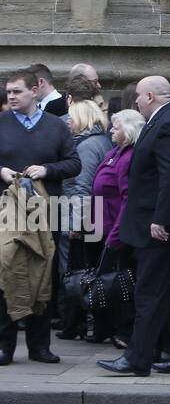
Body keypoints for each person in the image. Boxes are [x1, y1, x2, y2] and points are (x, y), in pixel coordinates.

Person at [98, 75, 170, 377]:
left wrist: (160, 219)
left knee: (150, 291)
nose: (135, 101)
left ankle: (137, 358)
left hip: (167, 226)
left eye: (137, 96)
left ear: (150, 96)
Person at [0, 69, 80, 365]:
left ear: (35, 91)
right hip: (7, 211)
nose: (11, 96)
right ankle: (5, 345)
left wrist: (47, 170)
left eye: (17, 91)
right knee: (6, 269)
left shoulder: (56, 127)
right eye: (9, 92)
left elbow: (74, 164)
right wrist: (1, 172)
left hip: (47, 212)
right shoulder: (1, 123)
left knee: (44, 275)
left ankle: (39, 346)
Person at [57, 99, 113, 339]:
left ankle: (88, 324)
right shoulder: (100, 140)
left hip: (87, 217)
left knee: (82, 272)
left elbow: (82, 186)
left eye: (71, 118)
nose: (66, 123)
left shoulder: (86, 146)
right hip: (96, 215)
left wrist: (75, 223)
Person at [91, 109, 145, 348]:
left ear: (129, 130)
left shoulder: (128, 157)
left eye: (116, 127)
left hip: (118, 233)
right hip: (103, 229)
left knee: (122, 283)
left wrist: (115, 236)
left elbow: (127, 199)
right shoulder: (116, 152)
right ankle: (110, 328)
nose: (111, 130)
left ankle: (125, 331)